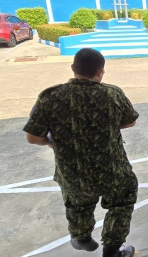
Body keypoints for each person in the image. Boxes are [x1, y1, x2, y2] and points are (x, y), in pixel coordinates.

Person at [23, 48, 139, 257]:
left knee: (78, 203)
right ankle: (112, 251)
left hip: (73, 172)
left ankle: (82, 237)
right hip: (112, 170)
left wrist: (51, 142)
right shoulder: (112, 94)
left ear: (73, 68)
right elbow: (130, 121)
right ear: (100, 72)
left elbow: (33, 137)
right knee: (121, 201)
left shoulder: (50, 96)